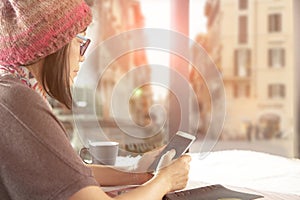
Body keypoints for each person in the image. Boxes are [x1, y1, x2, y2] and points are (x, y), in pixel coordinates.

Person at [0, 0, 191, 200]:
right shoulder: (19, 101)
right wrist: (165, 181)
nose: (82, 57)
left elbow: (67, 173)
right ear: (54, 43)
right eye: (79, 41)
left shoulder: (11, 92)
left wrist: (138, 173)